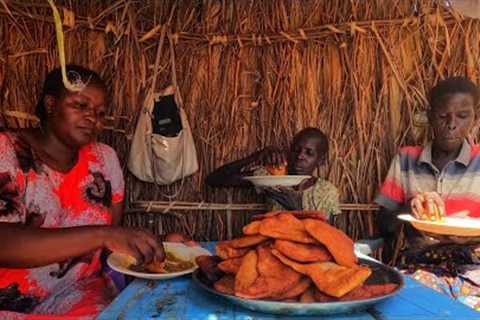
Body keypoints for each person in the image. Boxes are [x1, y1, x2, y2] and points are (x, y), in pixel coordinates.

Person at [0, 65, 189, 319]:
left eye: (100, 113)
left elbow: (110, 247)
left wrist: (159, 246)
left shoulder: (104, 160)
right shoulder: (7, 151)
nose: (93, 118)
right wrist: (103, 234)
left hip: (81, 298)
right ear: (50, 103)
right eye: (80, 105)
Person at [375, 76, 480, 310]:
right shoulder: (406, 159)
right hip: (419, 264)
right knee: (400, 306)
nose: (452, 124)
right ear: (430, 116)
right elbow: (383, 226)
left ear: (475, 118)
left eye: (462, 116)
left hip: (475, 267)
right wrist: (409, 205)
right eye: (443, 116)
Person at [206, 127, 340, 220]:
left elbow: (328, 238)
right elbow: (214, 179)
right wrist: (256, 156)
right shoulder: (271, 177)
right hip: (272, 250)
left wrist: (297, 209)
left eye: (309, 153)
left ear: (320, 161)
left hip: (307, 256)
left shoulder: (326, 191)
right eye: (296, 150)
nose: (300, 156)